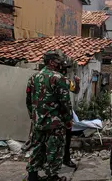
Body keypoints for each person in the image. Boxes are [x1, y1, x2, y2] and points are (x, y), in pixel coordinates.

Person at [25, 51, 73, 181]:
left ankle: (32, 176)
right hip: (54, 123)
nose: (60, 64)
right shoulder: (59, 78)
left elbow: (28, 101)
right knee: (54, 149)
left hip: (38, 122)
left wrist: (34, 116)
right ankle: (53, 177)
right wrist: (68, 119)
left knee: (36, 148)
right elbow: (65, 102)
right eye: (57, 61)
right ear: (51, 62)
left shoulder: (33, 78)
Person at [59, 60, 80, 168]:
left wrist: (77, 83)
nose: (66, 71)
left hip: (63, 116)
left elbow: (75, 91)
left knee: (67, 139)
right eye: (64, 69)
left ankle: (66, 158)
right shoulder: (52, 80)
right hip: (55, 117)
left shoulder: (66, 81)